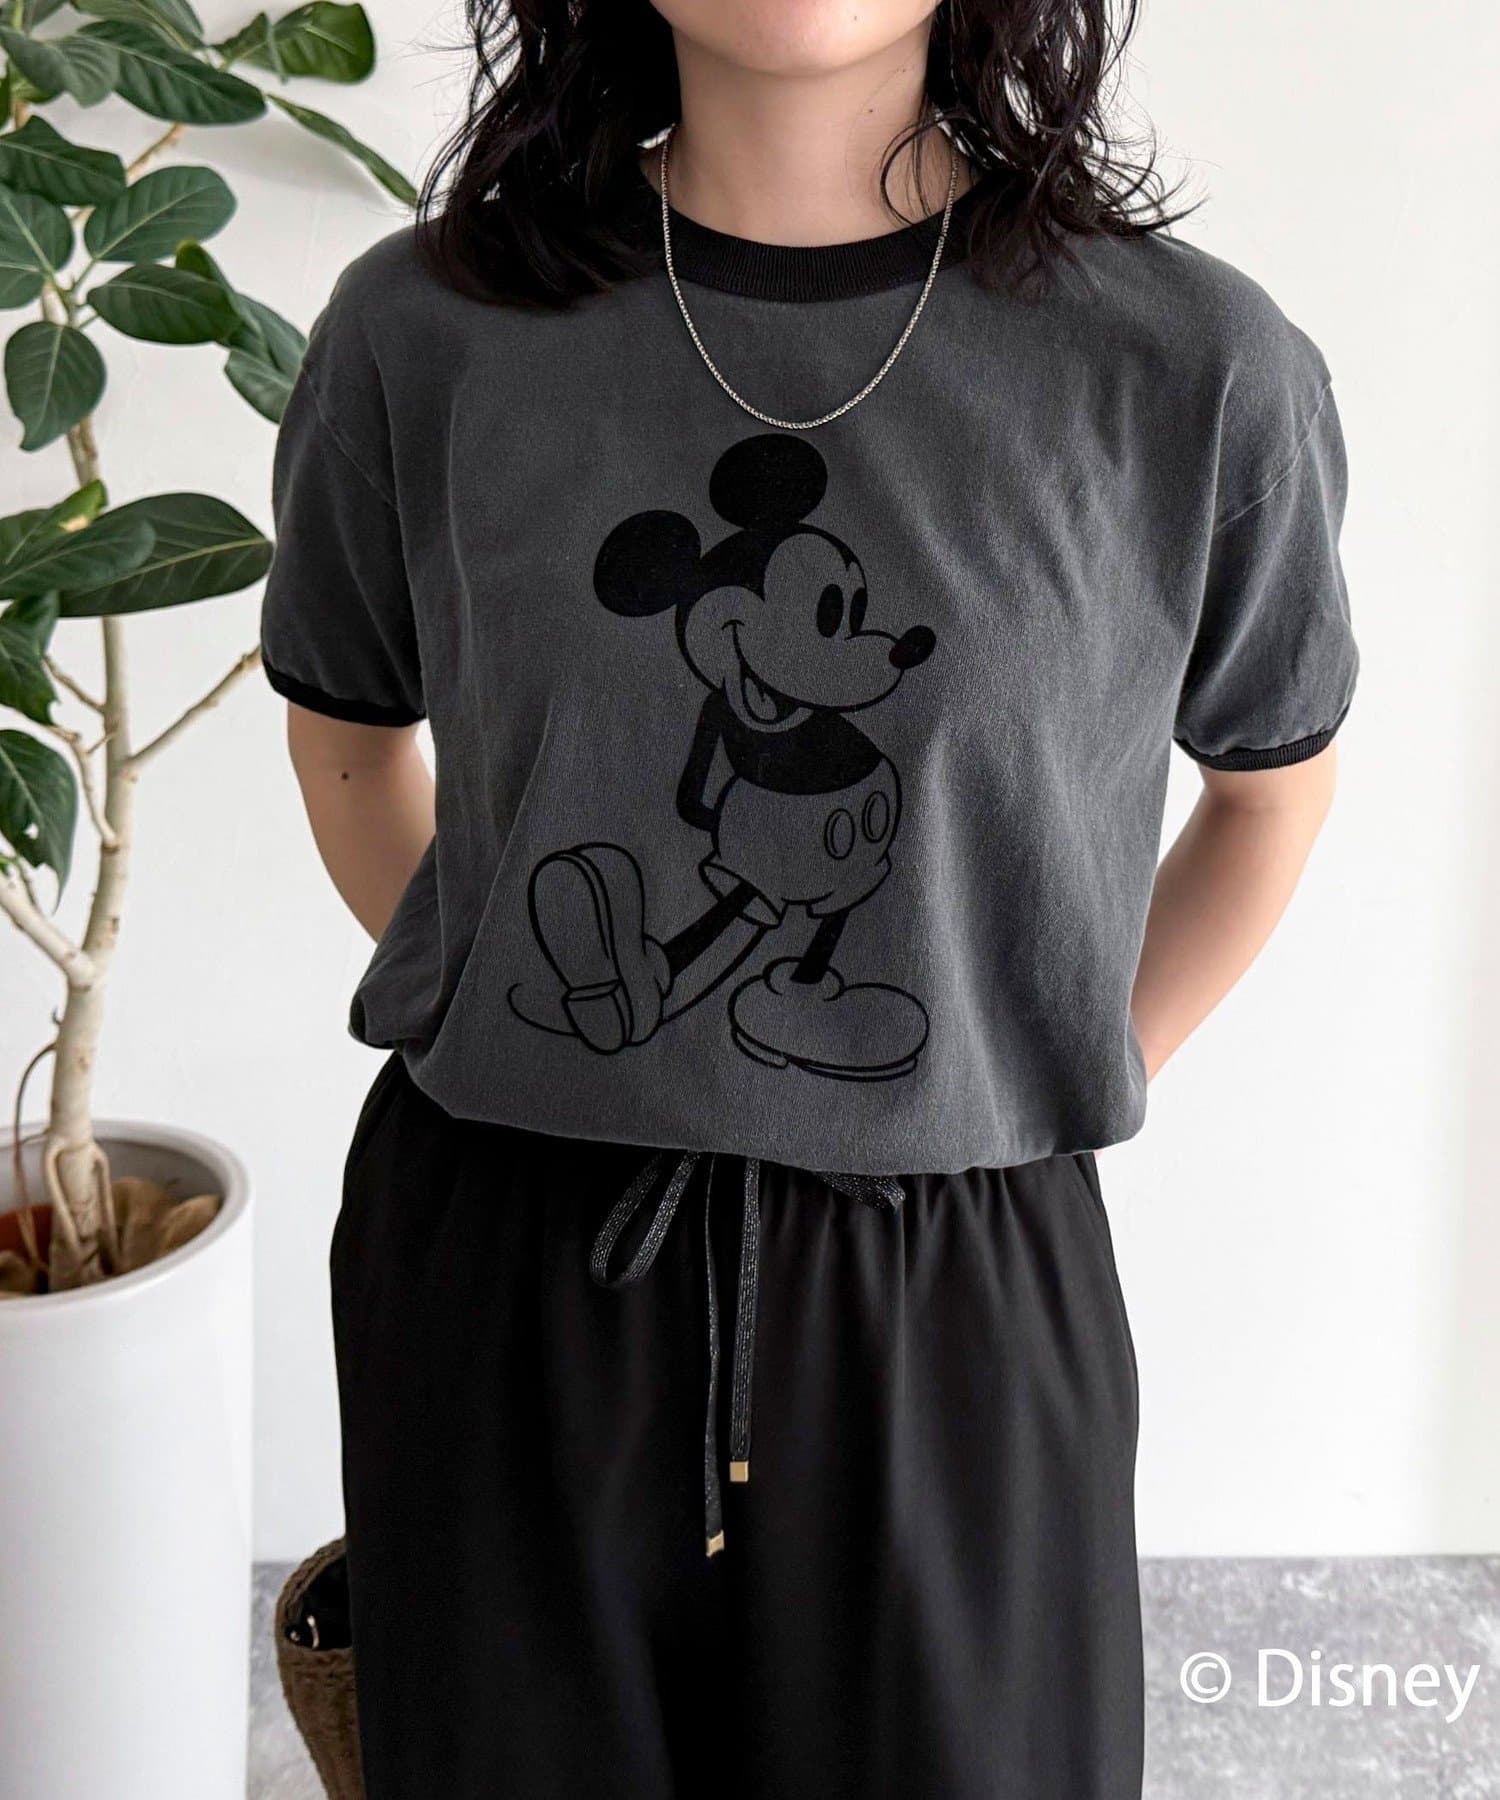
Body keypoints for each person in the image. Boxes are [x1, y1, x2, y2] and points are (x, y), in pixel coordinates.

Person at [259, 1, 1357, 1794]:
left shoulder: (1190, 364)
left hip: (958, 1282)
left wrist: (1031, 1066)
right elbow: (349, 743)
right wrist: (531, 1009)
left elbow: (1271, 794)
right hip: (510, 1268)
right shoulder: (425, 326)